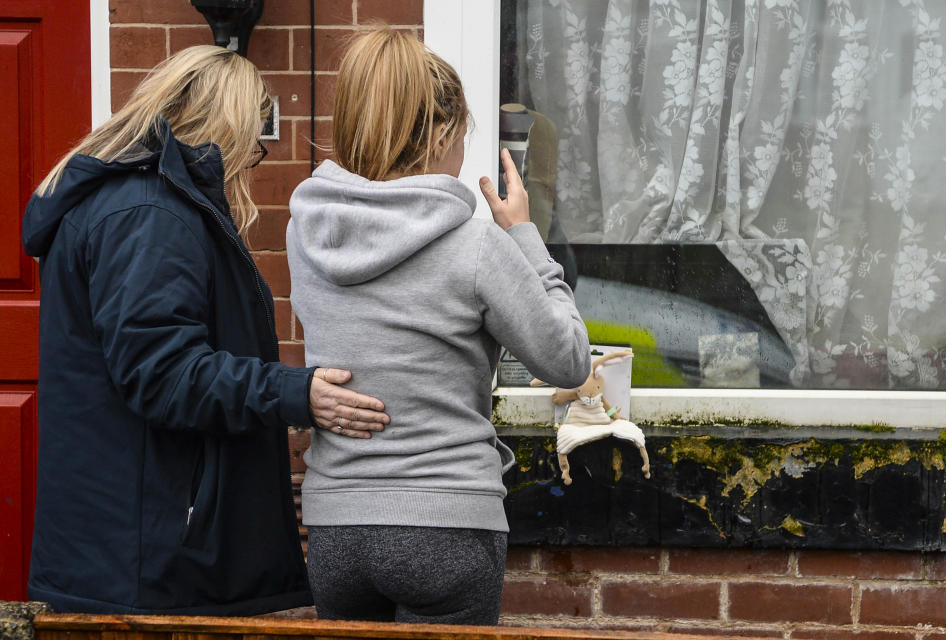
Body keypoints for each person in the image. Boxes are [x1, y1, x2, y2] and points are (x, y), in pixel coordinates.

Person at [21, 45, 390, 615]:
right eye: (253, 138)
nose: (251, 158)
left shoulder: (138, 206)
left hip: (138, 553)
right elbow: (163, 374)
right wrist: (293, 394)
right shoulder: (149, 215)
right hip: (149, 563)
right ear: (223, 124)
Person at [287, 28, 591, 626]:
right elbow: (567, 360)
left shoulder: (306, 232)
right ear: (442, 134)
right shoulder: (474, 243)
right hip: (445, 519)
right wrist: (525, 237)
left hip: (335, 526)